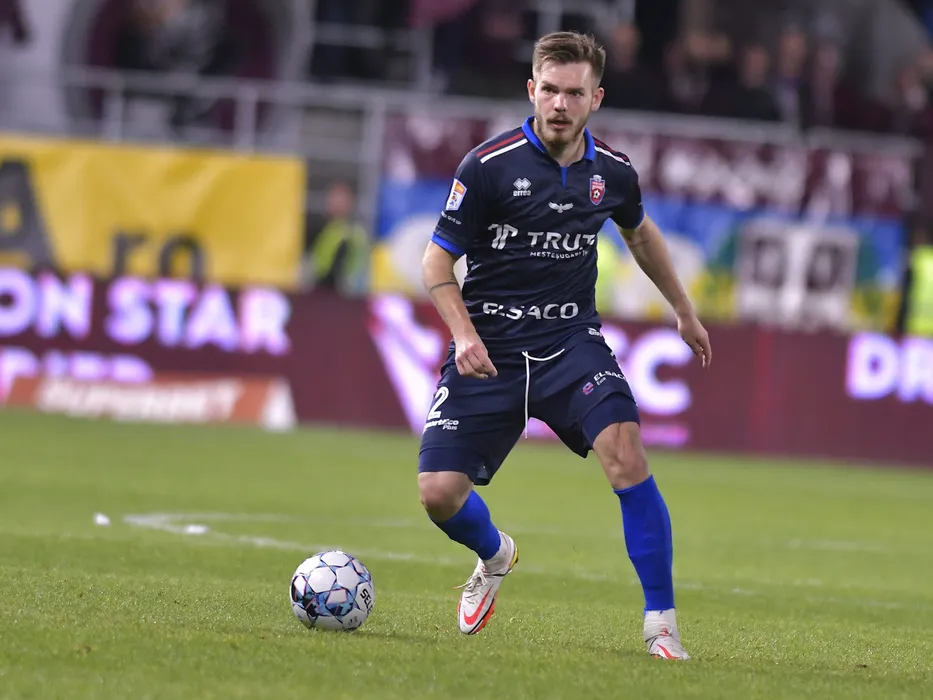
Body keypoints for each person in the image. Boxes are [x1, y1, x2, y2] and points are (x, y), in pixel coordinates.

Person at [417, 30, 712, 660]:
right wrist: (463, 334)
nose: (559, 103)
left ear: (595, 98)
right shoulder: (487, 166)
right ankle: (495, 554)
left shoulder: (613, 172)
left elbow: (640, 235)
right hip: (491, 346)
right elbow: (435, 262)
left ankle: (661, 625)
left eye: (574, 93)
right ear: (531, 89)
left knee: (626, 452)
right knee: (438, 494)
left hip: (569, 342)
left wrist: (684, 311)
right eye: (549, 90)